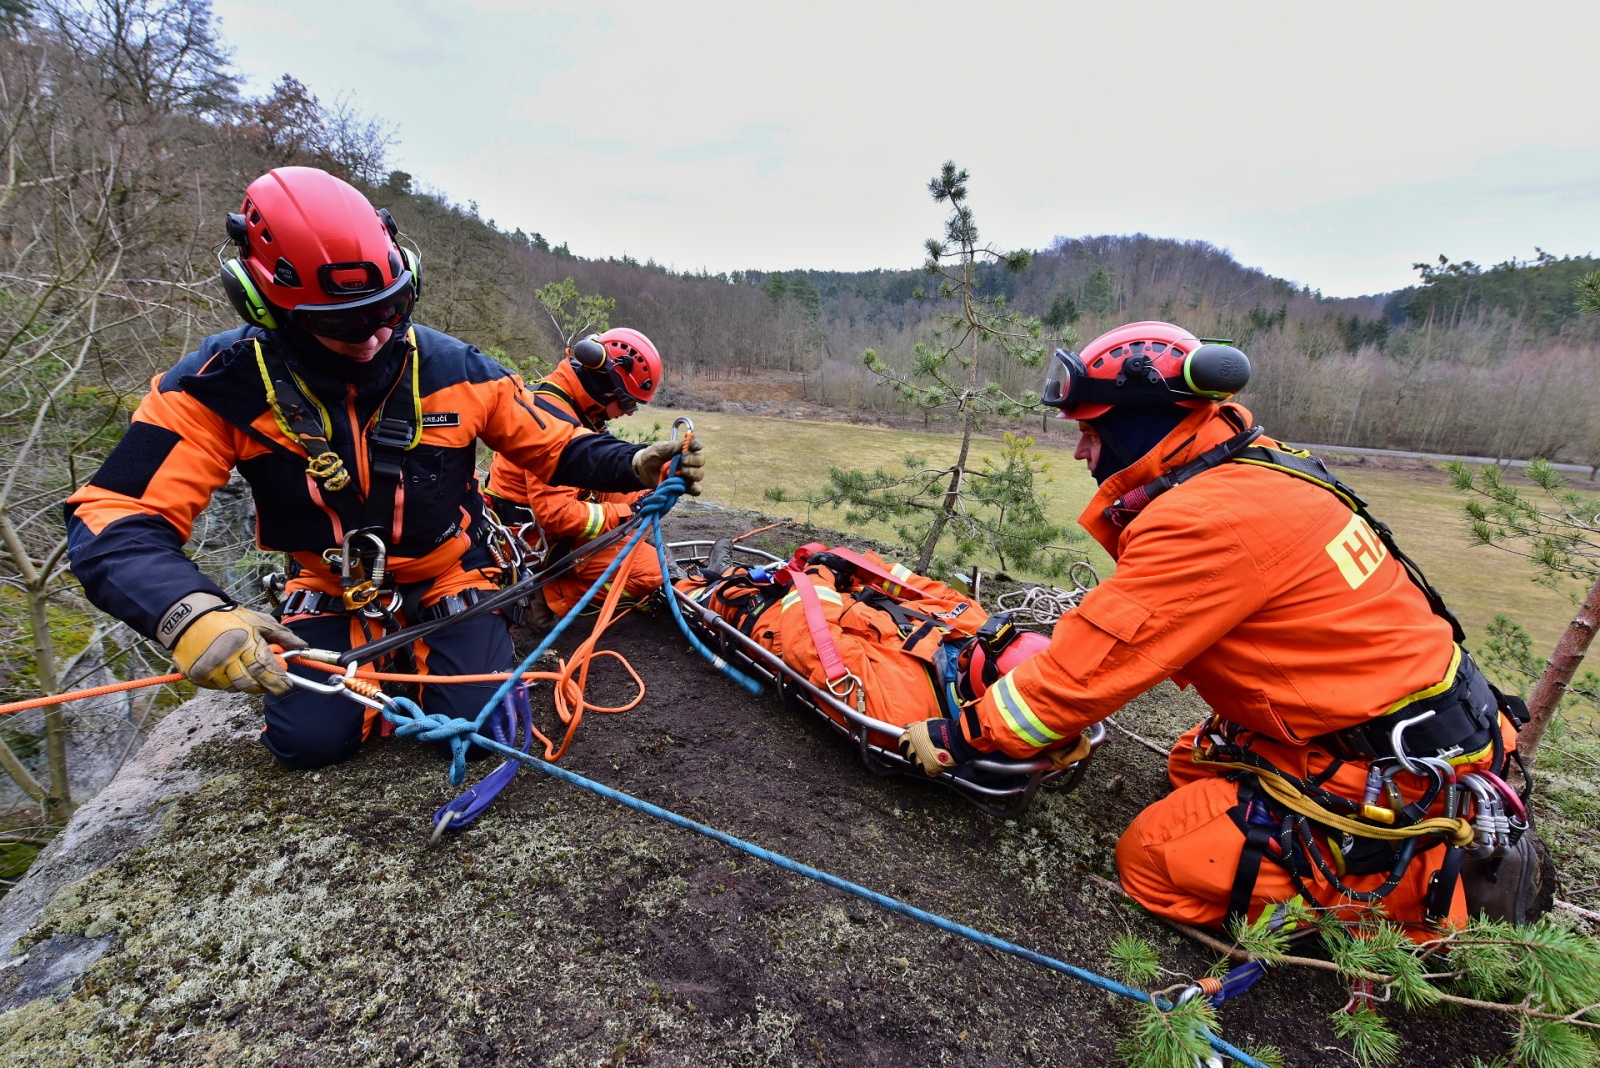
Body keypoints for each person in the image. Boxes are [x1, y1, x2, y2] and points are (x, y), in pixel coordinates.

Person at [897, 320, 1544, 933]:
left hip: (1393, 771)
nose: (1078, 450)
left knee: (1152, 861)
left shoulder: (1205, 518)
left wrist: (965, 733)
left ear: (1141, 426)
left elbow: (1086, 669)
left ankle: (1422, 896)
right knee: (1188, 763)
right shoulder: (1253, 465)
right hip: (1408, 730)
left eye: (1091, 430)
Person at [64, 166, 703, 771]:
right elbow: (115, 512)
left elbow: (555, 446)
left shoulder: (459, 370)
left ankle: (424, 659)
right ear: (265, 306)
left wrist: (635, 464)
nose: (374, 335)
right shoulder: (218, 388)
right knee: (309, 744)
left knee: (483, 730)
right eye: (343, 321)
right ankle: (382, 663)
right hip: (329, 585)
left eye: (391, 308)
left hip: (447, 575)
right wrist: (186, 611)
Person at [482, 328, 666, 624]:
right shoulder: (552, 417)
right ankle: (550, 595)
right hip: (535, 538)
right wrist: (623, 515)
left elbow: (600, 463)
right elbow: (555, 515)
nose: (629, 413)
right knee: (652, 573)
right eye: (627, 402)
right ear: (606, 384)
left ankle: (615, 546)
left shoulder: (576, 405)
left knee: (643, 492)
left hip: (551, 515)